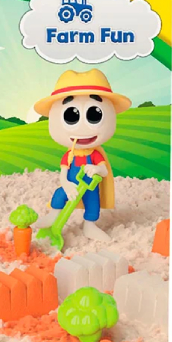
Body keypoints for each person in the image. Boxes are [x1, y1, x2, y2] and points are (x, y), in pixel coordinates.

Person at [33, 69, 131, 241]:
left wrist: (96, 169)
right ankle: (53, 216)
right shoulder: (69, 155)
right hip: (71, 185)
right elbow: (63, 174)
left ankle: (90, 226)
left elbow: (104, 171)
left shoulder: (95, 155)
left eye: (94, 115)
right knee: (59, 194)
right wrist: (67, 185)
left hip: (89, 187)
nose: (83, 128)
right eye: (71, 116)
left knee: (93, 204)